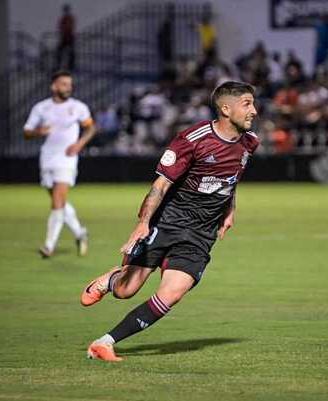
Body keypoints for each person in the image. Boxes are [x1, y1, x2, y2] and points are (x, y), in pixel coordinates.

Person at [80, 81, 259, 362]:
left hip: (201, 234)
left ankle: (104, 342)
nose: (254, 111)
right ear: (226, 108)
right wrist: (143, 223)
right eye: (247, 104)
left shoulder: (250, 142)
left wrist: (230, 210)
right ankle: (112, 279)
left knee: (173, 293)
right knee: (127, 290)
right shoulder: (192, 139)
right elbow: (160, 185)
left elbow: (232, 178)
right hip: (167, 223)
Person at [23, 70, 95, 258]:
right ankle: (80, 233)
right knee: (59, 202)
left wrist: (79, 144)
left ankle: (49, 246)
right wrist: (39, 131)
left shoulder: (78, 107)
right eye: (64, 84)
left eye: (69, 84)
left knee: (57, 202)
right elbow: (27, 132)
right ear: (54, 86)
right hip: (47, 158)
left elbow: (90, 128)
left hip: (67, 158)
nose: (68, 87)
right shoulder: (41, 108)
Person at [56, 4, 76, 70]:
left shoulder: (69, 19)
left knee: (70, 51)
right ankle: (60, 64)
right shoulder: (65, 19)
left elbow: (68, 27)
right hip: (65, 37)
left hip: (69, 37)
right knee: (61, 50)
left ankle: (71, 65)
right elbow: (61, 27)